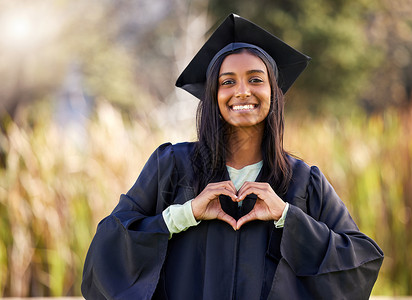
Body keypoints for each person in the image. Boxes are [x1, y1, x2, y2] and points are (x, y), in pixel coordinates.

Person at [81, 14, 384, 299]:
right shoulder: (172, 166)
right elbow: (105, 254)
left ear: (273, 93)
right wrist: (183, 215)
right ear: (213, 94)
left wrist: (288, 218)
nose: (241, 91)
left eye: (255, 79)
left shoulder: (303, 181)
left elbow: (360, 264)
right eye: (228, 82)